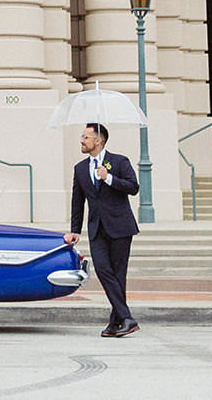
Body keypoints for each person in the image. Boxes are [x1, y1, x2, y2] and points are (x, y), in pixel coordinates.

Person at [65, 121, 140, 338]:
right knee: (103, 270)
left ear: (99, 140)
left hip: (120, 226)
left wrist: (109, 178)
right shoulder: (80, 168)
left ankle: (116, 322)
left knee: (118, 275)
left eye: (85, 137)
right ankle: (126, 318)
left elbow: (133, 187)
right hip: (96, 228)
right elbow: (77, 201)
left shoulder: (118, 161)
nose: (81, 140)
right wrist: (74, 230)